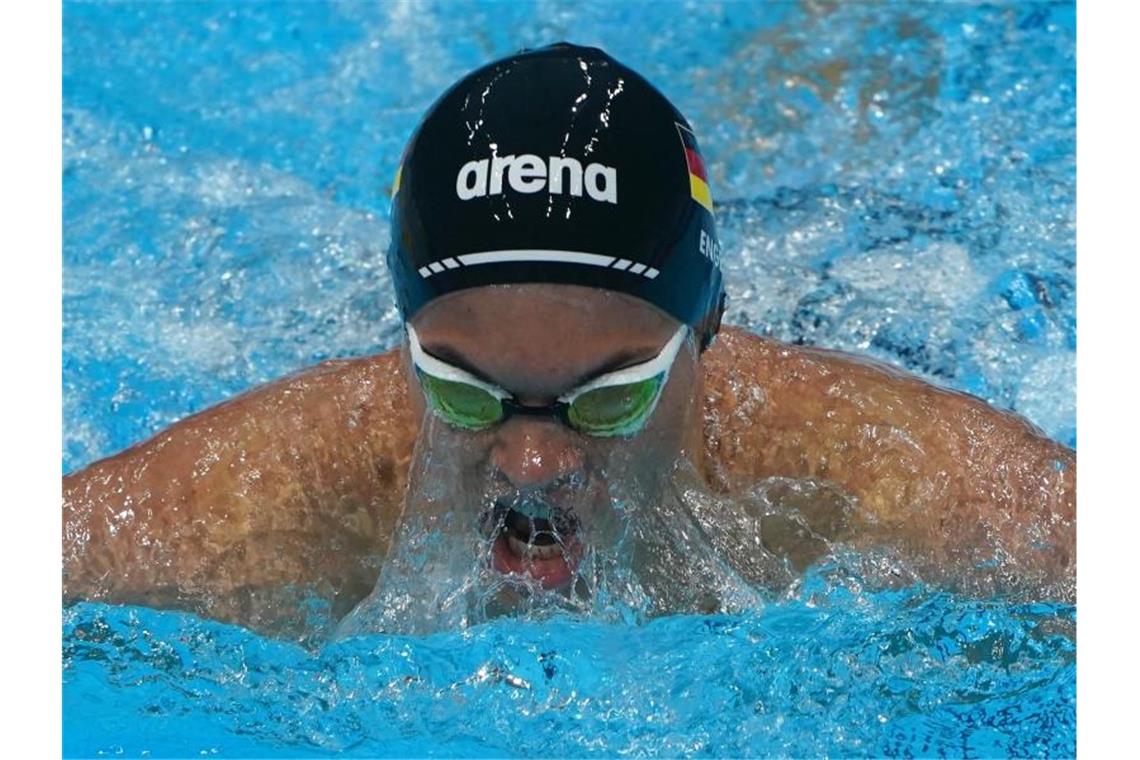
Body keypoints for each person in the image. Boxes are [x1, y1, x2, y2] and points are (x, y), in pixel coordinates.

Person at [62, 43, 1074, 638]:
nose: (533, 460)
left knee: (838, 114)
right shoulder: (281, 495)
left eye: (608, 395)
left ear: (708, 331)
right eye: (463, 388)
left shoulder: (856, 469)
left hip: (865, 289)